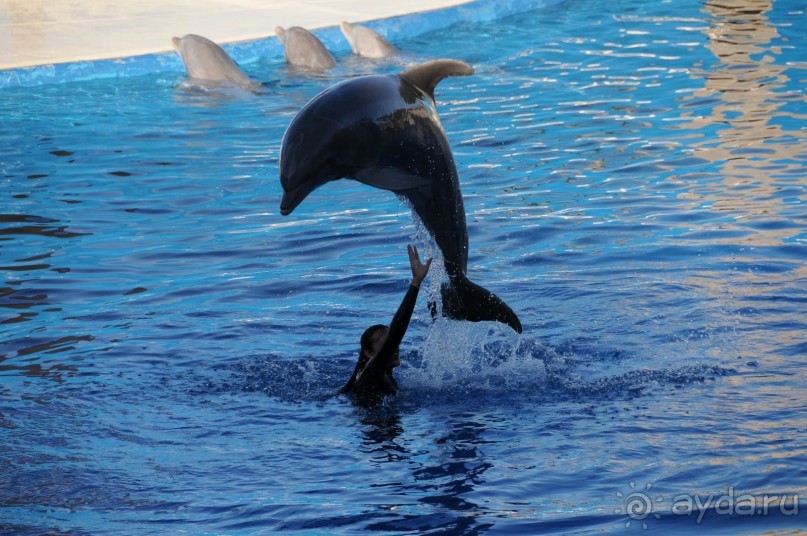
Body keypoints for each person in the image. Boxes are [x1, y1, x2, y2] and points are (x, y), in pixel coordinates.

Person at [341, 244, 432, 402]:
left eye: (392, 343)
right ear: (369, 354)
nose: (394, 347)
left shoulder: (375, 375)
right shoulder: (371, 372)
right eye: (386, 344)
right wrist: (416, 283)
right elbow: (396, 332)